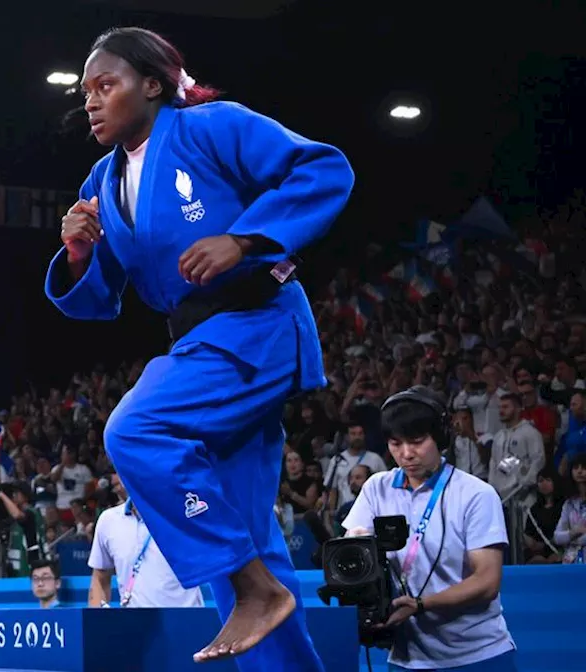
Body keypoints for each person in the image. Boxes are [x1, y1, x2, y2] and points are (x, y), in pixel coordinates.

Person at [48, 26, 352, 666]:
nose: (93, 102)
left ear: (153, 84)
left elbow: (322, 168)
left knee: (134, 430)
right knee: (245, 541)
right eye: (86, 92)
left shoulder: (210, 127)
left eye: (108, 85)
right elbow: (100, 295)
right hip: (198, 337)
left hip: (254, 324)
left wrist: (243, 240)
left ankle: (251, 588)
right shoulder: (103, 181)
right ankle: (260, 599)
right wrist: (78, 253)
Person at [344, 387, 517, 671]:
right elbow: (352, 548)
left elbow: (487, 581)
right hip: (406, 658)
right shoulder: (377, 488)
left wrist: (422, 604)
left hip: (477, 656)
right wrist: (357, 546)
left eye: (416, 441)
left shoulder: (476, 495)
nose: (406, 454)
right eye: (395, 443)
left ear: (440, 437)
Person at [88, 471, 204, 609]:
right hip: (134, 625)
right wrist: (95, 623)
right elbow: (99, 578)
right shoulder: (108, 520)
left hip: (186, 623)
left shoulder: (184, 513)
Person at [552, 453, 586, 563]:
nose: (579, 471)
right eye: (576, 468)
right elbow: (557, 537)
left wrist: (571, 539)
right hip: (570, 560)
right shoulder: (569, 503)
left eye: (584, 468)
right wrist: (574, 532)